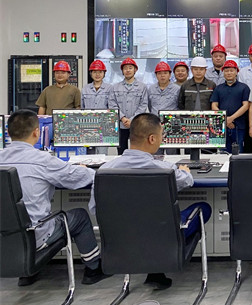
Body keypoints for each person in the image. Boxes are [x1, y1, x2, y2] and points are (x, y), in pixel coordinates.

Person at [88, 113, 211, 291]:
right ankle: (161, 261)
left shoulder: (104, 171)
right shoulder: (165, 169)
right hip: (162, 236)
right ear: (152, 139)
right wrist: (185, 171)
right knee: (203, 208)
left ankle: (152, 268)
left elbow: (94, 208)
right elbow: (187, 181)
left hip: (121, 239)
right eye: (161, 135)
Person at [0, 110, 109, 286]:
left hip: (5, 238)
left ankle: (27, 273)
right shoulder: (42, 160)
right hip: (36, 235)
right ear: (37, 132)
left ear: (8, 132)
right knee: (80, 216)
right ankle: (93, 269)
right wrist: (86, 169)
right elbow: (76, 177)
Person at [109, 57, 149, 154]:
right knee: (121, 152)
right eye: (125, 68)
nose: (128, 70)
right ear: (122, 71)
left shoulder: (142, 87)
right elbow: (112, 104)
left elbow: (143, 105)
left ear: (135, 70)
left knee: (137, 151)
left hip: (136, 124)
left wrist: (132, 120)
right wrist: (122, 118)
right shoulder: (115, 87)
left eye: (130, 68)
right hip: (120, 125)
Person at [211, 60, 250, 154]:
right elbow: (214, 105)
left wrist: (231, 118)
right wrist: (225, 119)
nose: (229, 73)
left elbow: (246, 105)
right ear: (223, 73)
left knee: (238, 152)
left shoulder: (244, 88)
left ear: (236, 72)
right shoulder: (218, 88)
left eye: (231, 70)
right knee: (223, 153)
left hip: (238, 127)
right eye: (226, 71)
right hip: (222, 127)